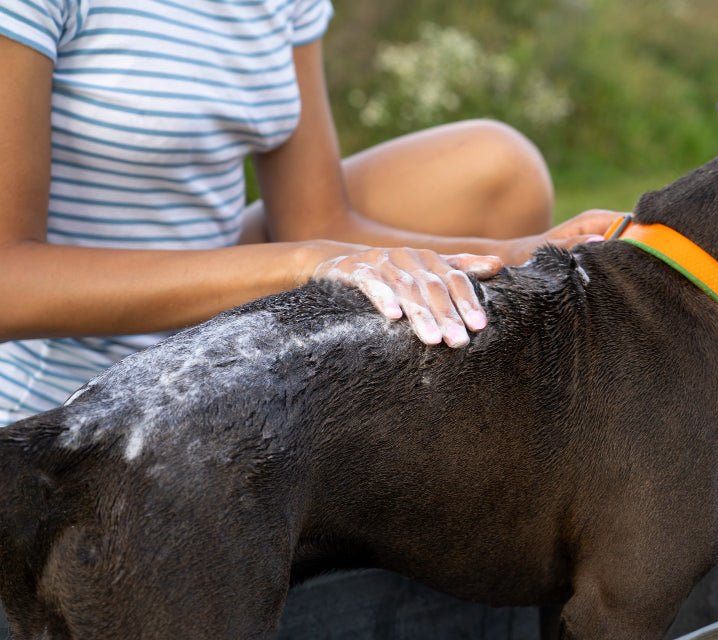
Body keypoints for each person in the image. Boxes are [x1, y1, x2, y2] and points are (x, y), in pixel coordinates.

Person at [0, 0, 619, 426]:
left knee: (496, 166)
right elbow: (8, 283)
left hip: (205, 344)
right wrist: (304, 263)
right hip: (53, 399)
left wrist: (525, 253)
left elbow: (317, 220)